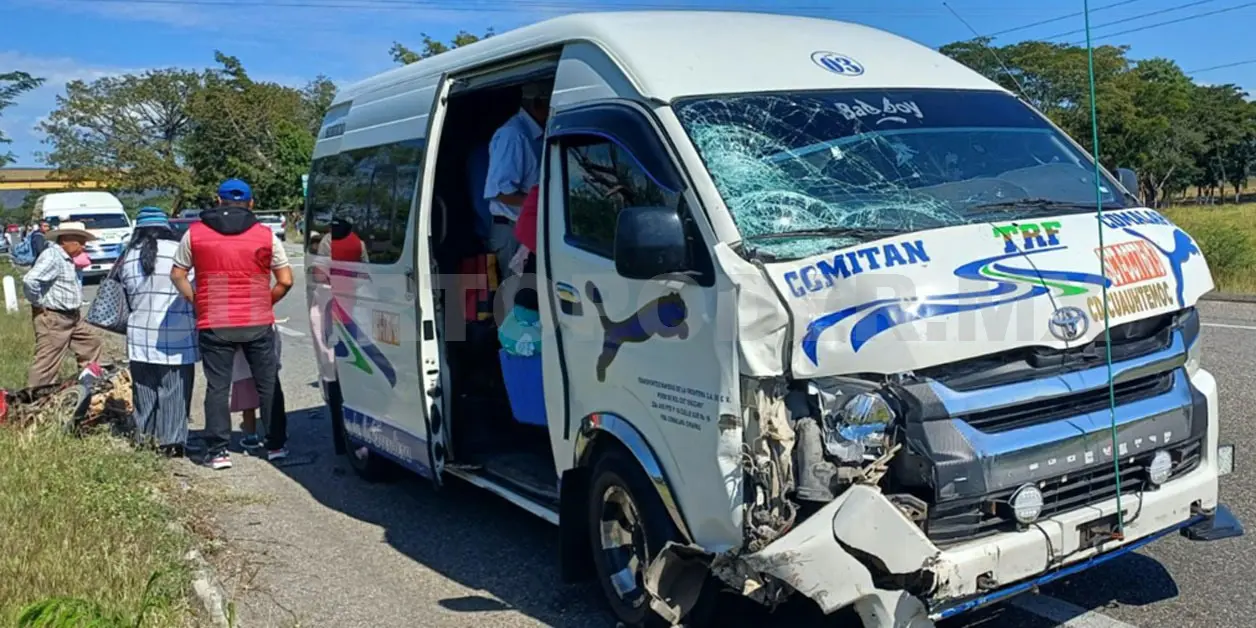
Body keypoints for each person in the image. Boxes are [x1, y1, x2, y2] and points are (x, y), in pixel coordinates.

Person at [171, 179, 294, 470]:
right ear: (251, 203)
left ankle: (218, 452)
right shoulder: (265, 235)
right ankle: (276, 445)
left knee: (217, 386)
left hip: (214, 322)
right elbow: (286, 280)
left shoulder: (194, 233)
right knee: (268, 384)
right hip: (257, 321)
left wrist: (195, 301)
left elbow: (177, 274)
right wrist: (266, 303)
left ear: (218, 200)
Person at [117, 207, 199, 456]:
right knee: (174, 389)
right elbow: (192, 288)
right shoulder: (179, 252)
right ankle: (171, 443)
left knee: (144, 389)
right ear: (167, 228)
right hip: (177, 332)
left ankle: (145, 438)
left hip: (139, 332)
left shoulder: (128, 256)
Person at [21, 220, 103, 388]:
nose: (83, 246)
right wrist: (38, 302)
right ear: (65, 240)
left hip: (72, 317)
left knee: (91, 344)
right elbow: (30, 280)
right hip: (54, 317)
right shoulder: (52, 256)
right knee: (47, 363)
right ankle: (34, 400)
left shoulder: (67, 258)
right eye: (79, 242)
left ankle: (87, 383)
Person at [483, 82, 550, 281]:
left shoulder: (537, 134)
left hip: (527, 227)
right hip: (512, 231)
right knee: (516, 296)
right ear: (538, 104)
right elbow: (501, 192)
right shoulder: (513, 135)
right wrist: (544, 202)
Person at [230, 327, 285, 451]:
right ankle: (275, 437)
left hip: (242, 369)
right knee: (270, 398)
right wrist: (276, 362)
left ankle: (251, 437)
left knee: (248, 406)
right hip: (265, 365)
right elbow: (276, 342)